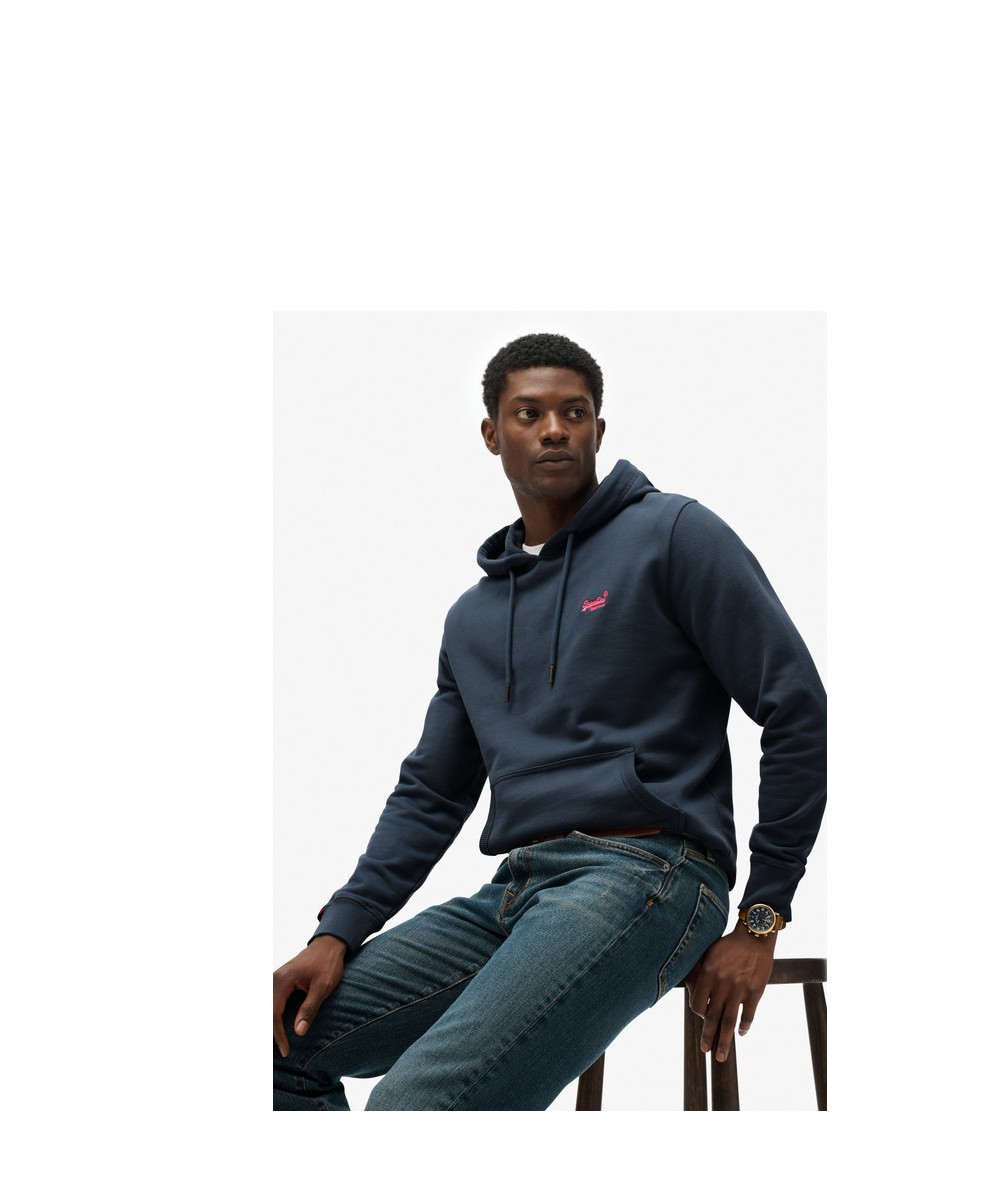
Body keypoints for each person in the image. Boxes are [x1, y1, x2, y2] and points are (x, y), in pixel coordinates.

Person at [273, 331, 826, 1110]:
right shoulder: (473, 619)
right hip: (518, 889)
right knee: (272, 1044)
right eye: (530, 413)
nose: (556, 429)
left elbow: (795, 704)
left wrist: (762, 916)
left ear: (599, 428)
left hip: (650, 875)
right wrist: (337, 931)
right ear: (492, 434)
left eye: (575, 412)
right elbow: (431, 792)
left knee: (413, 1105)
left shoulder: (673, 535)